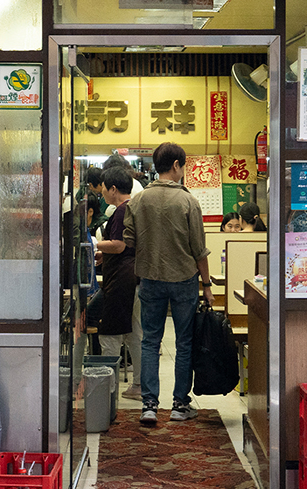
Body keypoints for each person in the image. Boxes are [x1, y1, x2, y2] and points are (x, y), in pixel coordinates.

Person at [124, 142, 213, 425]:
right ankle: (179, 405)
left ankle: (149, 405)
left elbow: (129, 241)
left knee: (150, 341)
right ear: (176, 165)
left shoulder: (137, 201)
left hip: (149, 278)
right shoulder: (188, 202)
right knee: (184, 342)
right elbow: (199, 249)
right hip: (184, 279)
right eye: (183, 166)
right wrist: (207, 284)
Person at [87, 165, 140, 395]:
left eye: (104, 190)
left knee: (109, 334)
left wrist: (93, 244)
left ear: (114, 188)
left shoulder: (120, 211)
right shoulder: (135, 207)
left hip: (120, 281)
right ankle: (139, 384)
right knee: (135, 333)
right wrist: (104, 254)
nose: (102, 194)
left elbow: (118, 245)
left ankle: (107, 389)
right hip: (134, 277)